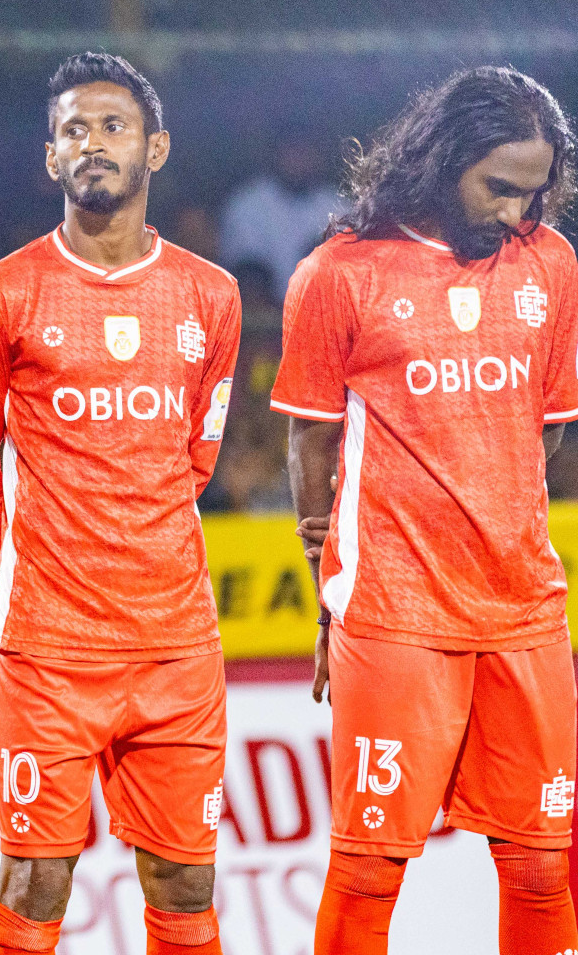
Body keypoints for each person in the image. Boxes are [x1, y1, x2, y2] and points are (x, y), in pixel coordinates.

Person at [270, 66, 578, 955]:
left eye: (535, 192)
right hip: (398, 613)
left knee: (540, 866)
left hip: (525, 612)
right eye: (500, 188)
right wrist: (331, 591)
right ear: (446, 161)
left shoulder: (550, 267)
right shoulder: (341, 273)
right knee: (371, 870)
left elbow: (538, 435)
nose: (520, 214)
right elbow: (311, 446)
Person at [0, 53, 241, 955]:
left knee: (186, 880)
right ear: (50, 158)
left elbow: (198, 455)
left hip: (176, 641)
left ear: (155, 147)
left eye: (112, 126)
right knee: (37, 880)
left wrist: (133, 533)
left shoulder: (211, 295)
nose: (92, 143)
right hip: (51, 648)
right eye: (73, 129)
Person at [219, 124, 339, 302]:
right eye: (292, 150)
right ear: (276, 153)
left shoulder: (339, 206)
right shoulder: (247, 205)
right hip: (263, 323)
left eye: (305, 151)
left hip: (324, 318)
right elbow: (247, 279)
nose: (299, 159)